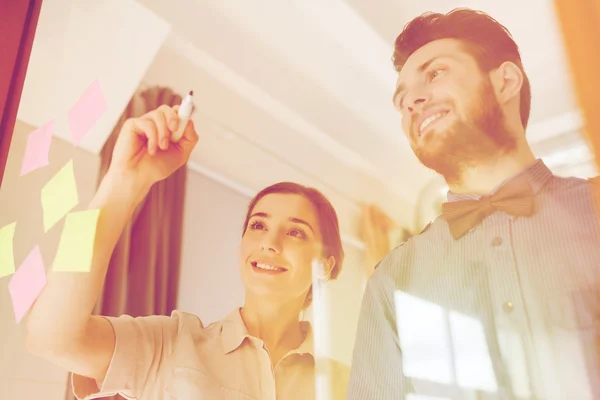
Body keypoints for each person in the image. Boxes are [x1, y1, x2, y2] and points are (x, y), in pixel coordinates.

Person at [348, 8, 600, 400]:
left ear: (506, 82)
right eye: (401, 100)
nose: (411, 100)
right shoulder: (391, 281)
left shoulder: (595, 210)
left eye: (435, 73)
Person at [24, 104, 349, 399]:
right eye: (258, 225)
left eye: (295, 232)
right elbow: (50, 337)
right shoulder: (172, 344)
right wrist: (123, 181)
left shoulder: (349, 384)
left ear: (324, 265)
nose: (269, 242)